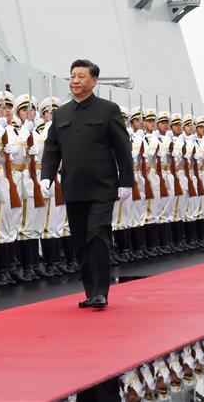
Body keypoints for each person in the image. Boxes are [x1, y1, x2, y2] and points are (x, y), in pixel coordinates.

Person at [40, 59, 133, 308]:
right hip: (74, 186)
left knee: (98, 235)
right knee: (80, 240)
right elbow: (52, 148)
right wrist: (46, 176)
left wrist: (126, 181)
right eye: (72, 76)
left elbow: (123, 147)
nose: (75, 81)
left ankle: (101, 291)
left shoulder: (108, 110)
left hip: (102, 186)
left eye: (81, 76)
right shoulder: (61, 114)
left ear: (93, 81)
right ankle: (90, 291)